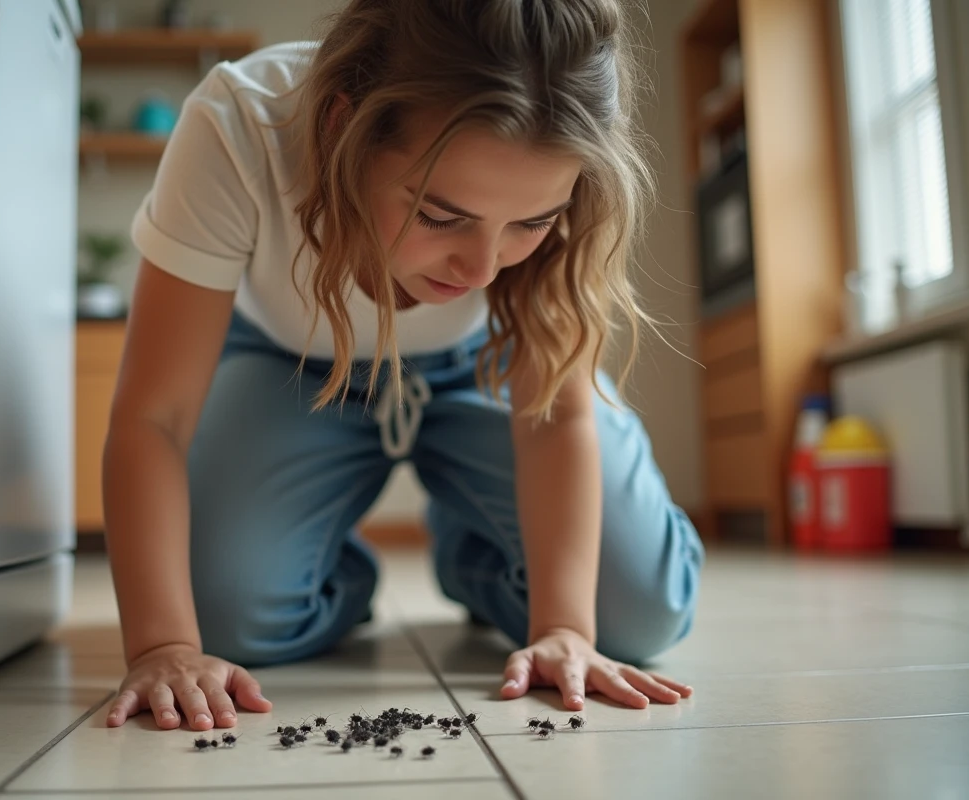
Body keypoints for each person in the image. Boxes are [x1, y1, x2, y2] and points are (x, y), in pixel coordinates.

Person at [102, 0, 704, 732]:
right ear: (341, 127)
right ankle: (335, 567)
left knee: (637, 614)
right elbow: (153, 417)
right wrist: (163, 645)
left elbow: (557, 414)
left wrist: (566, 627)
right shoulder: (239, 124)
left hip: (490, 364)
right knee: (226, 614)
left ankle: (473, 548)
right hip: (288, 365)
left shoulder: (561, 147)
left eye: (532, 223)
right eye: (441, 216)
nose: (484, 268)